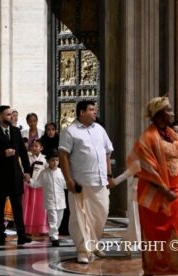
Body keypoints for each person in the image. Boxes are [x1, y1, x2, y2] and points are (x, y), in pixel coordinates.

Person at [127, 96, 178, 275]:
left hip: (176, 194)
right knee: (156, 235)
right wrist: (164, 191)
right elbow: (145, 168)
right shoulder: (147, 138)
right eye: (168, 110)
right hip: (156, 196)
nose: (172, 113)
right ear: (158, 115)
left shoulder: (172, 135)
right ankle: (155, 269)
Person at [59, 100, 114, 264]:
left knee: (101, 214)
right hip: (80, 182)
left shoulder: (100, 129)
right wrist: (68, 179)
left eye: (95, 109)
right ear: (81, 112)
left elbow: (107, 153)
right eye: (91, 109)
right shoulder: (70, 131)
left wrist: (109, 176)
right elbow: (63, 156)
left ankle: (94, 243)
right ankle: (83, 250)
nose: (95, 112)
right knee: (80, 217)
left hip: (100, 181)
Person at [0, 105, 32, 246]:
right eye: (8, 114)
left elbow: (23, 153)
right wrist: (3, 154)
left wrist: (27, 171)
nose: (11, 116)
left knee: (17, 206)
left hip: (15, 175)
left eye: (11, 114)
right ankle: (1, 234)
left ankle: (21, 234)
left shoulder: (16, 132)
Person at [29, 149, 67, 247]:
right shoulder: (44, 173)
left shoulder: (62, 172)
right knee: (53, 220)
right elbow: (36, 184)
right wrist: (29, 180)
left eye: (57, 160)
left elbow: (65, 185)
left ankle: (52, 233)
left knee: (59, 219)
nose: (55, 163)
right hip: (49, 201)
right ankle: (55, 238)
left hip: (60, 200)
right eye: (52, 160)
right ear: (48, 161)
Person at [22, 139, 49, 235]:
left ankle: (42, 228)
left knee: (41, 208)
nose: (34, 148)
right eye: (32, 146)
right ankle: (28, 228)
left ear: (41, 148)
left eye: (36, 146)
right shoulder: (28, 158)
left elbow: (47, 172)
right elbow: (23, 170)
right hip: (29, 186)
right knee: (28, 207)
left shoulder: (45, 159)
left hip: (40, 187)